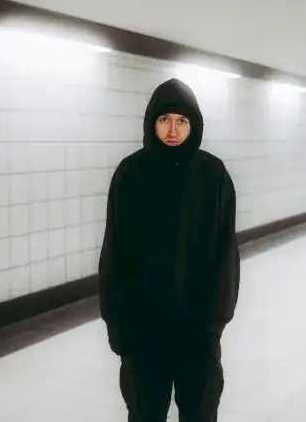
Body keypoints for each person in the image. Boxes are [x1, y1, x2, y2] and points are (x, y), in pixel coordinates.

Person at [98, 78, 240, 421]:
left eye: (182, 121)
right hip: (144, 335)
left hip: (198, 333)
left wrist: (215, 324)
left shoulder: (212, 175)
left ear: (194, 125)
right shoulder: (131, 174)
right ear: (151, 122)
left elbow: (226, 255)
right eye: (164, 119)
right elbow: (114, 254)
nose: (173, 130)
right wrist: (117, 326)